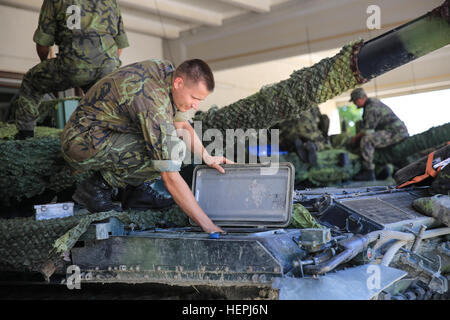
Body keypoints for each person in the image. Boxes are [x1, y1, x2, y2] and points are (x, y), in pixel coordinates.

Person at [61, 59, 233, 234]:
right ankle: (96, 188)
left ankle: (136, 191)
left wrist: (207, 157)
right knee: (173, 149)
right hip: (79, 142)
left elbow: (181, 125)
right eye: (194, 98)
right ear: (178, 83)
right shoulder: (153, 101)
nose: (196, 105)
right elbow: (170, 177)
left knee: (172, 143)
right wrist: (208, 225)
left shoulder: (166, 73)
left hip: (103, 131)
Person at [13, 0, 129, 139]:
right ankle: (100, 138)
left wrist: (45, 66)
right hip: (107, 67)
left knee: (31, 81)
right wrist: (106, 65)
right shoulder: (110, 1)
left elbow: (43, 44)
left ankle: (25, 134)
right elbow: (120, 45)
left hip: (71, 65)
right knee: (100, 103)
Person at [349, 88, 409, 181]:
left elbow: (368, 131)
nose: (354, 103)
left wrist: (355, 139)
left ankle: (368, 171)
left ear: (360, 99)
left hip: (395, 132)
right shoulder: (372, 104)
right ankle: (382, 169)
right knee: (374, 141)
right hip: (395, 131)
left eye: (354, 101)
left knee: (366, 140)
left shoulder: (371, 107)